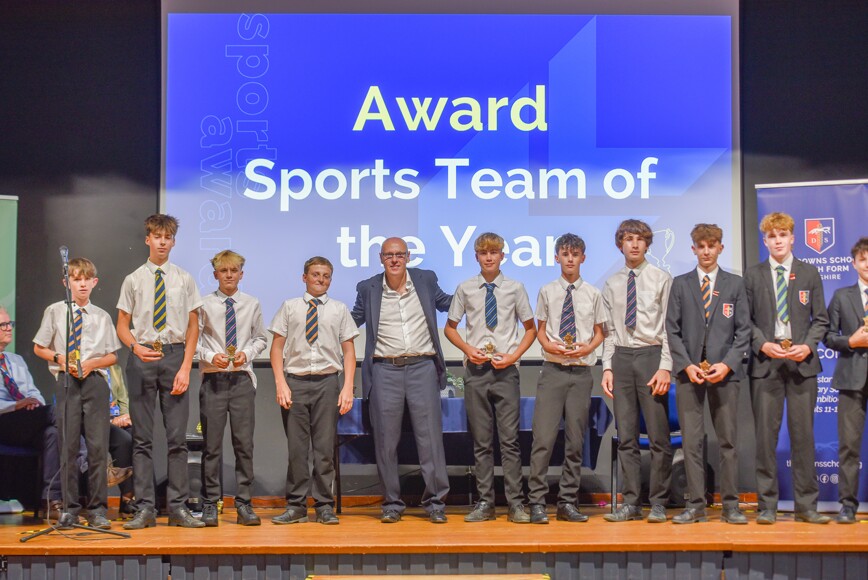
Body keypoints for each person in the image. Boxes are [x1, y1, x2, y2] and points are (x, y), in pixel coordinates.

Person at [351, 237, 452, 523]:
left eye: (399, 255)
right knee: (385, 441)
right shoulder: (368, 288)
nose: (394, 260)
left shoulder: (425, 279)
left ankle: (435, 503)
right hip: (384, 369)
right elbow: (351, 321)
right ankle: (392, 504)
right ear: (381, 259)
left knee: (430, 439)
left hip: (423, 367)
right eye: (388, 255)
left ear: (408, 257)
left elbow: (449, 304)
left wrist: (478, 294)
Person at [116, 214, 205, 529]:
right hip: (142, 356)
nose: (162, 242)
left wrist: (186, 367)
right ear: (148, 239)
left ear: (174, 242)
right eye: (157, 236)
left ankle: (178, 508)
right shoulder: (133, 279)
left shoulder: (184, 279)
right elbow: (122, 325)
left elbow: (194, 326)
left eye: (167, 237)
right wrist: (134, 347)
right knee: (141, 439)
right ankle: (145, 509)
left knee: (176, 439)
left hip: (174, 356)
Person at [744, 212, 830, 525]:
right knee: (765, 439)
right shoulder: (753, 275)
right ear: (765, 240)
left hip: (801, 364)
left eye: (783, 235)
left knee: (803, 437)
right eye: (772, 236)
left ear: (793, 238)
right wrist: (761, 344)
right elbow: (745, 321)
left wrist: (807, 346)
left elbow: (821, 320)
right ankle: (767, 506)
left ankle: (806, 506)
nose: (778, 241)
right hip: (766, 365)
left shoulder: (809, 273)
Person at [444, 232, 536, 524]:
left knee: (509, 442)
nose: (489, 257)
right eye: (484, 253)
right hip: (476, 372)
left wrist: (514, 356)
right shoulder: (466, 288)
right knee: (481, 442)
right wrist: (468, 349)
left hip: (506, 372)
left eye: (494, 252)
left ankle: (516, 504)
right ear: (476, 257)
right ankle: (485, 503)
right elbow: (450, 328)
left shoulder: (515, 288)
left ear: (502, 256)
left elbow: (531, 329)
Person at [665, 224, 750, 524]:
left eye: (711, 246)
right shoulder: (681, 284)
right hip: (689, 374)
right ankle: (696, 504)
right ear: (693, 249)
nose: (706, 251)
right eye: (700, 246)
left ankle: (731, 506)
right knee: (691, 443)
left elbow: (744, 331)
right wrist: (686, 364)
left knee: (728, 442)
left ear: (720, 248)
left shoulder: (735, 284)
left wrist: (726, 364)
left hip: (724, 374)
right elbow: (672, 330)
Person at [33, 258, 121, 530]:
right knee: (68, 447)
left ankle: (97, 509)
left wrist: (92, 363)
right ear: (67, 282)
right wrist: (59, 358)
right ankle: (70, 509)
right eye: (76, 279)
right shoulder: (55, 311)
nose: (82, 284)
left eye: (86, 279)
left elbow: (112, 356)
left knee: (97, 448)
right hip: (67, 381)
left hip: (94, 382)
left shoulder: (102, 316)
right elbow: (39, 347)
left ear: (94, 282)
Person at [524, 233, 606, 524]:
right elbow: (540, 329)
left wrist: (588, 348)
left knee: (575, 441)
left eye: (575, 254)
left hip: (581, 373)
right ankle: (536, 501)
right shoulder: (547, 291)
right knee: (543, 439)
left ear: (583, 258)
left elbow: (600, 332)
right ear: (556, 257)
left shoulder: (593, 294)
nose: (570, 259)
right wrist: (549, 346)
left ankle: (567, 502)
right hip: (553, 371)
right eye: (565, 254)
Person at [269, 256, 357, 525]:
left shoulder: (339, 309)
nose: (321, 279)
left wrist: (347, 387)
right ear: (304, 277)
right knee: (297, 450)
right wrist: (280, 383)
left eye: (326, 275)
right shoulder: (290, 307)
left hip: (327, 383)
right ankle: (296, 505)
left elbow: (349, 351)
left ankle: (324, 506)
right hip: (295, 383)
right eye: (316, 274)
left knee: (324, 450)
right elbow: (276, 347)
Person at [601, 219, 674, 523]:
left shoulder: (661, 278)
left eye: (639, 239)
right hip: (621, 358)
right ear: (620, 244)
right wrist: (607, 367)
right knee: (626, 436)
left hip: (651, 356)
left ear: (647, 244)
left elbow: (670, 328)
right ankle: (631, 503)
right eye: (628, 239)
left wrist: (665, 366)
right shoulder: (612, 283)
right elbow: (607, 332)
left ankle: (658, 502)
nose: (634, 244)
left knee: (658, 436)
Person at [197, 250, 267, 526]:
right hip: (213, 380)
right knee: (211, 446)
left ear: (241, 274)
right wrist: (208, 355)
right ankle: (210, 504)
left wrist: (247, 353)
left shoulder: (252, 303)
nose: (229, 275)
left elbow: (261, 338)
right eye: (224, 271)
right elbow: (193, 342)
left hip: (241, 380)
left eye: (233, 270)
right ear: (215, 274)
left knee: (244, 445)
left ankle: (244, 504)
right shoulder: (203, 304)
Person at [0, 306, 62, 520]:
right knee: (59, 413)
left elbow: (33, 392)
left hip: (26, 420)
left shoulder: (15, 360)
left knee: (53, 433)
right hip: (4, 421)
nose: (9, 328)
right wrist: (17, 405)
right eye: (3, 325)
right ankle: (88, 462)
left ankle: (50, 501)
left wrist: (34, 403)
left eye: (10, 323)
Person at [823, 237, 868, 524]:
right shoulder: (841, 296)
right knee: (849, 446)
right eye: (863, 259)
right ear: (853, 264)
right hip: (851, 379)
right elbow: (827, 336)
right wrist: (851, 341)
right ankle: (848, 505)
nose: (867, 264)